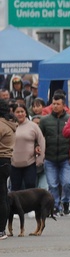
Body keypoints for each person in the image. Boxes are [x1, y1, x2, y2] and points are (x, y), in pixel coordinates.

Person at [39, 93, 70, 215]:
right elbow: (40, 137)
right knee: (52, 184)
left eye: (58, 104)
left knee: (67, 183)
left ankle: (66, 201)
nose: (55, 106)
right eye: (53, 103)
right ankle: (55, 206)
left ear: (64, 105)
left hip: (66, 157)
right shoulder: (45, 120)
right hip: (50, 157)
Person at [10, 102, 45, 191]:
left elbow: (41, 141)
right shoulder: (10, 126)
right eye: (17, 112)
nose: (20, 114)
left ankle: (30, 205)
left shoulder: (33, 126)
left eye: (22, 111)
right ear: (13, 113)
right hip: (14, 163)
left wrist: (40, 159)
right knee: (15, 188)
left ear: (26, 113)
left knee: (30, 186)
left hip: (30, 163)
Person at [0, 98, 16, 240]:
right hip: (6, 161)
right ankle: (2, 229)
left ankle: (0, 230)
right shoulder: (9, 124)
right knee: (2, 195)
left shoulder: (1, 125)